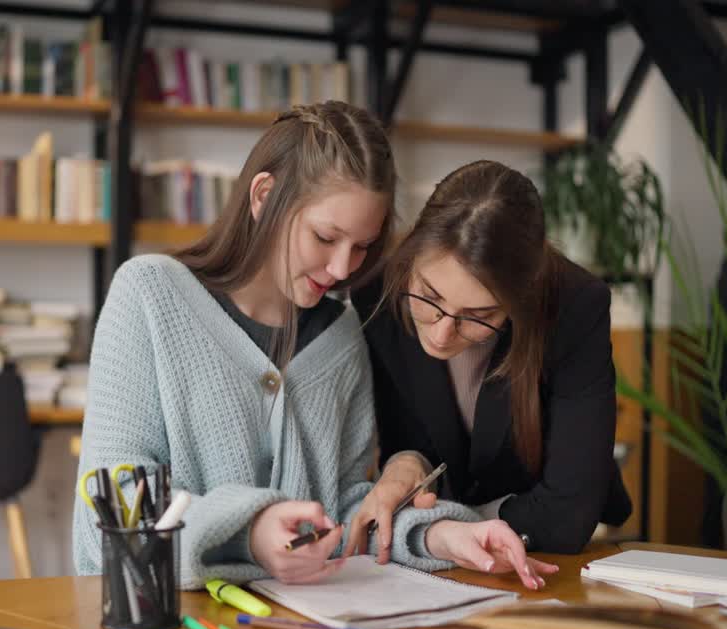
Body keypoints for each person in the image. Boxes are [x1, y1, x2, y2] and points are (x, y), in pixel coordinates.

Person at [72, 104, 553, 591]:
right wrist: (251, 533)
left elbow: (346, 510)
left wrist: (443, 536)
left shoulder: (342, 337)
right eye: (325, 237)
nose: (344, 268)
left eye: (363, 246)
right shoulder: (150, 296)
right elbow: (111, 512)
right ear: (264, 195)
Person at [346, 160, 632, 564]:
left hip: (546, 553)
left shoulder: (574, 305)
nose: (442, 333)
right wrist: (406, 465)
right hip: (442, 558)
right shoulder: (375, 294)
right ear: (412, 254)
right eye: (429, 296)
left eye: (479, 316)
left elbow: (567, 515)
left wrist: (450, 528)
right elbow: (410, 438)